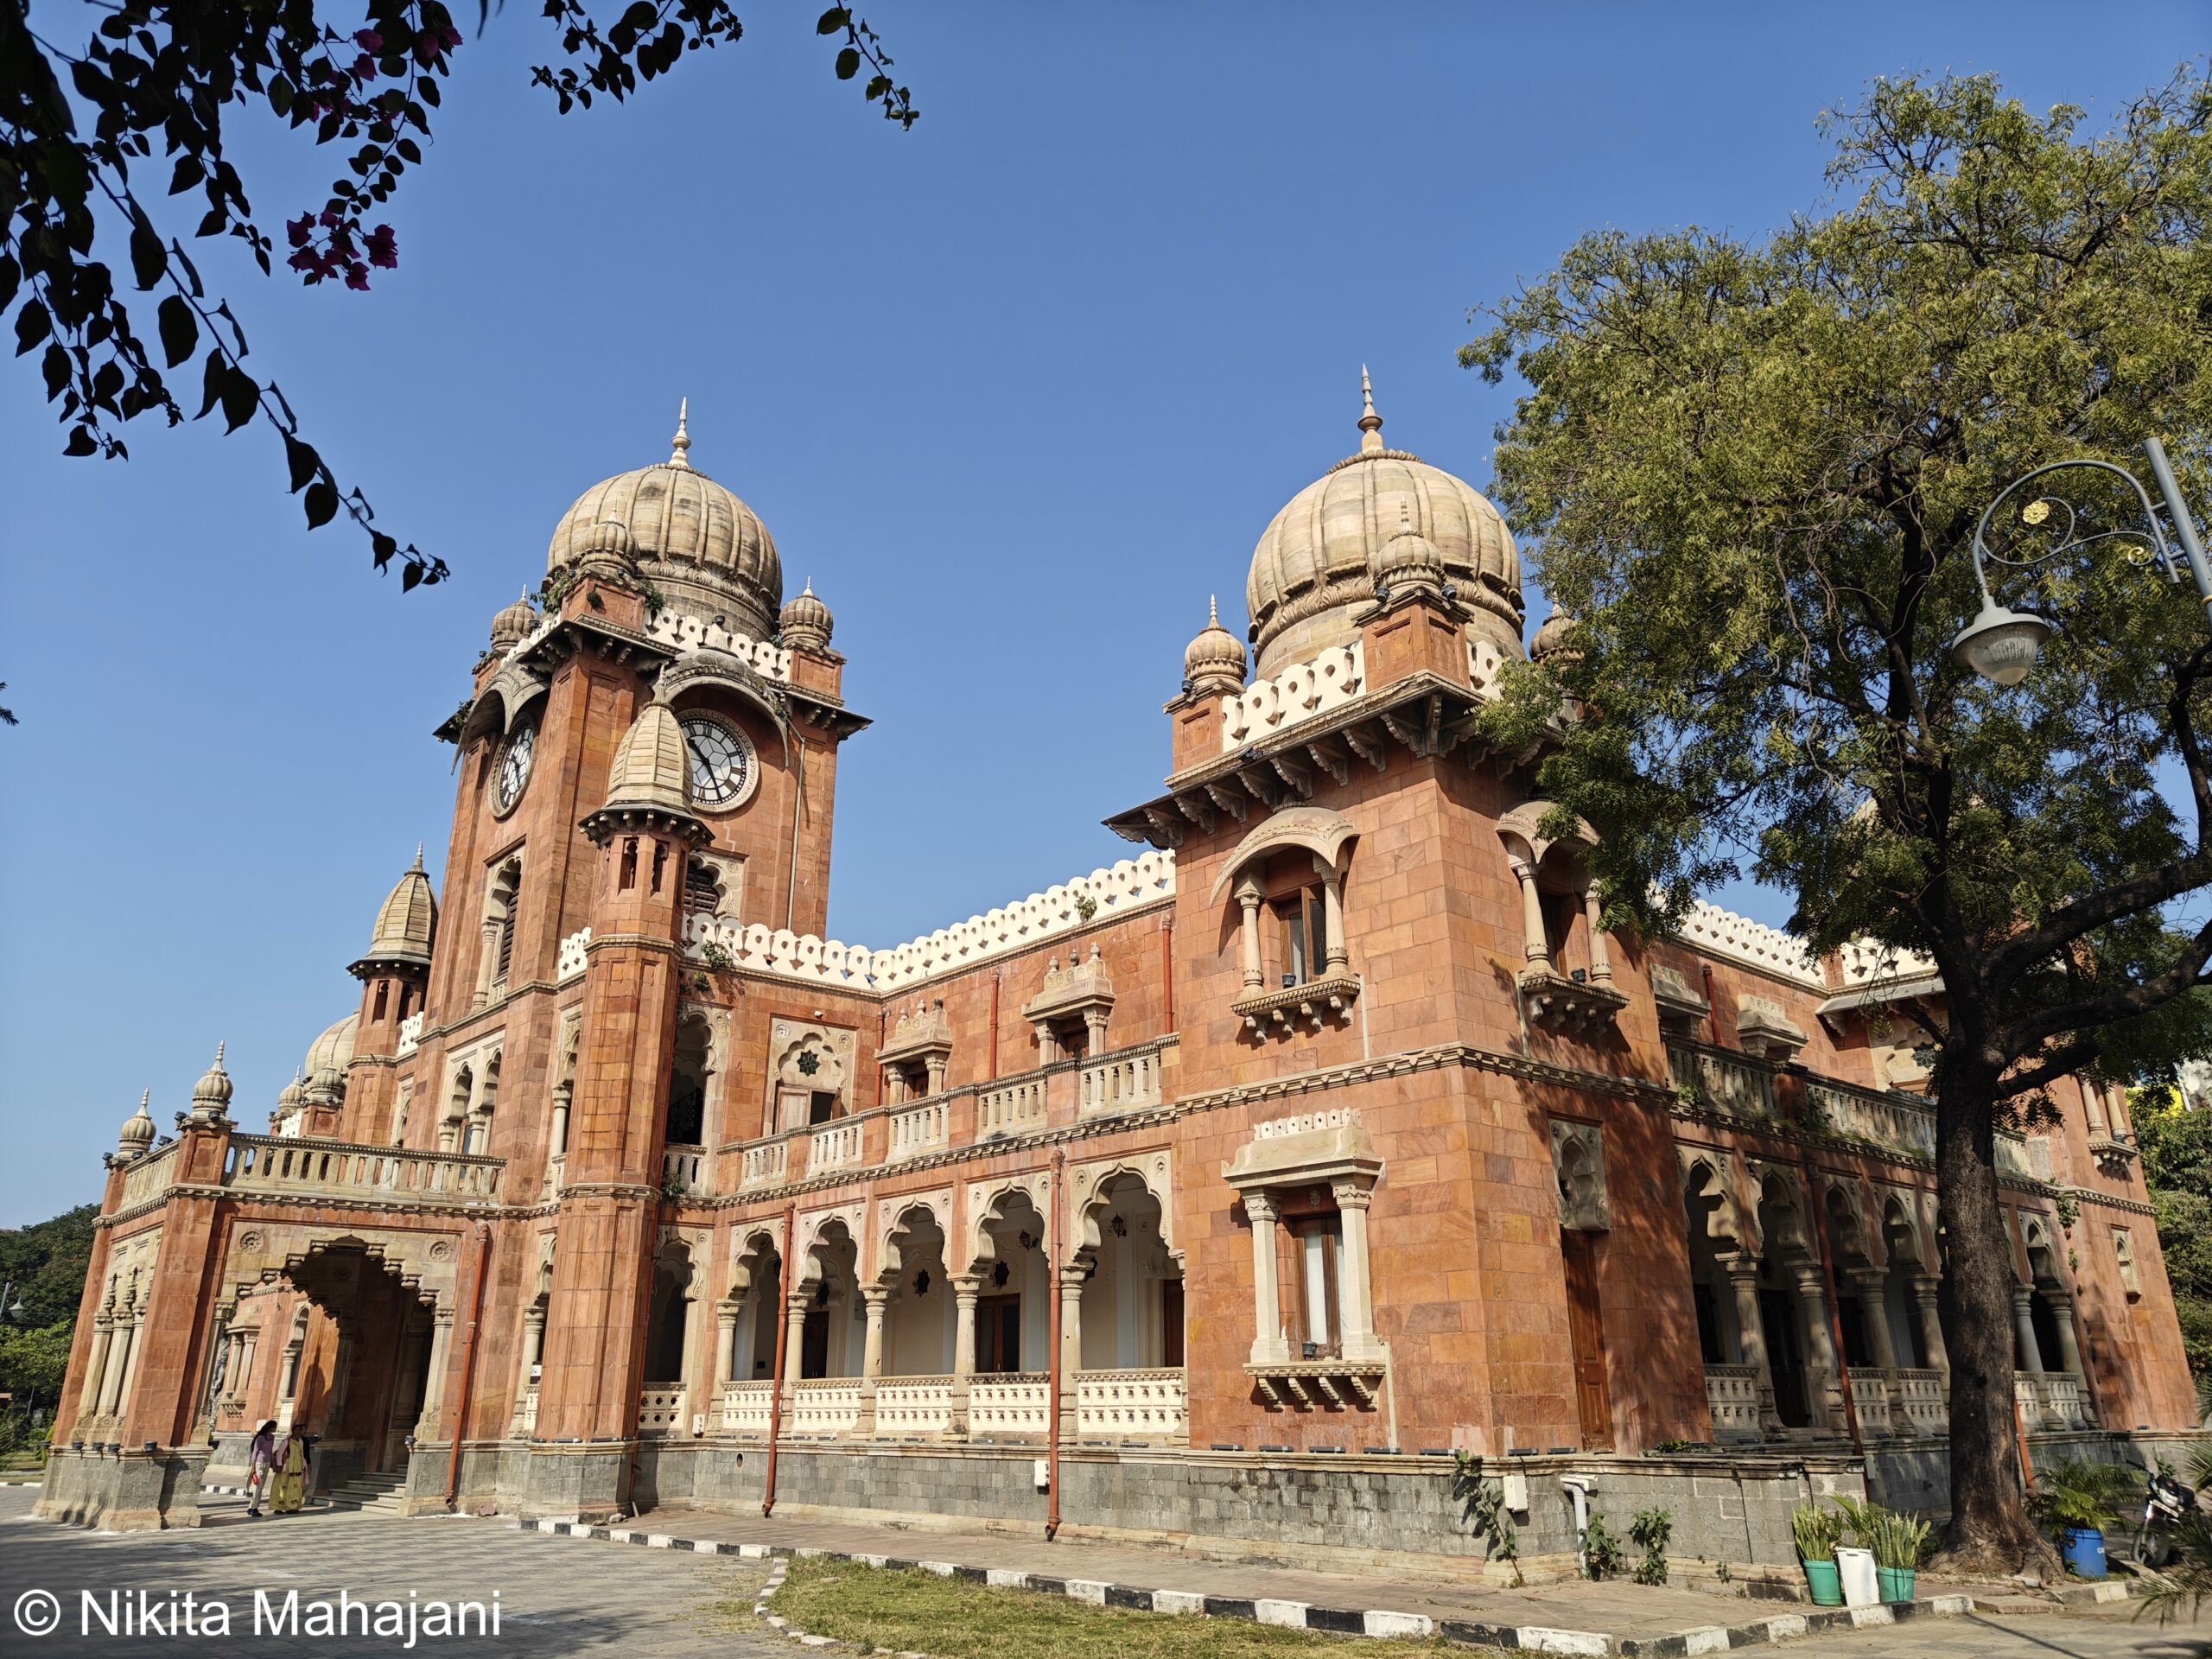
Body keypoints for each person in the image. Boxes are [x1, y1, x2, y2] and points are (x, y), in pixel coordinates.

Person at [269, 1431, 307, 1514]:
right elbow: (279, 1453)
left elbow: (302, 1455)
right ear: (294, 1432)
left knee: (294, 1487)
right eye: (299, 1430)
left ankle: (292, 1507)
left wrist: (303, 1466)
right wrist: (279, 1465)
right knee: (282, 1486)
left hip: (296, 1468)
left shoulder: (300, 1442)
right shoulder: (287, 1441)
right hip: (286, 1468)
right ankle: (278, 1507)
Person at [245, 1421, 276, 1518]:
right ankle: (255, 1508)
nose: (276, 1428)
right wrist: (253, 1466)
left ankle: (251, 1507)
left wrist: (273, 1464)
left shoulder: (272, 1438)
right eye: (275, 1427)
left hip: (267, 1463)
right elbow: (255, 1452)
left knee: (260, 1486)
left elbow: (270, 1452)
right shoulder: (260, 1438)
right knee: (257, 1486)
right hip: (259, 1463)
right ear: (270, 1427)